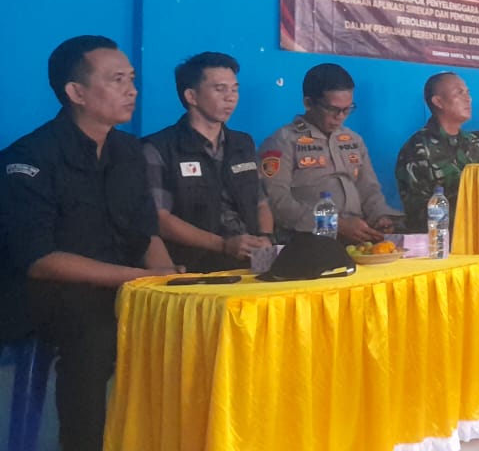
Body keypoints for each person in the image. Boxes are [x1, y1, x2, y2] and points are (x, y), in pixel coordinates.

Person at [0, 35, 179, 451]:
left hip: (118, 284)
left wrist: (169, 281)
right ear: (76, 92)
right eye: (117, 80)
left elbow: (146, 233)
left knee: (186, 317)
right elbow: (40, 260)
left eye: (131, 79)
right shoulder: (30, 157)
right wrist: (139, 278)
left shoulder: (129, 151)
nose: (132, 90)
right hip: (40, 295)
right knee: (95, 332)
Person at [143, 52, 273, 272]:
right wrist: (223, 245)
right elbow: (159, 219)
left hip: (251, 265)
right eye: (220, 89)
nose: (230, 97)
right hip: (194, 268)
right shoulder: (159, 148)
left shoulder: (243, 143)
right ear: (191, 96)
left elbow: (261, 203)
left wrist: (265, 238)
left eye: (235, 89)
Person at [259, 63, 402, 243]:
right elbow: (277, 203)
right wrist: (334, 224)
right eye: (333, 109)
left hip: (358, 234)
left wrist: (380, 217)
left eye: (347, 109)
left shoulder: (353, 140)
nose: (340, 117)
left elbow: (369, 189)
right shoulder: (282, 141)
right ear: (308, 103)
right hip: (307, 240)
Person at [396, 72, 479, 231]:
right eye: (459, 93)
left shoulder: (476, 144)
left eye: (468, 93)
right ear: (438, 102)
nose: (468, 99)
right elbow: (418, 213)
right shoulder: (418, 149)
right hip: (442, 239)